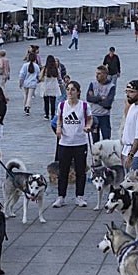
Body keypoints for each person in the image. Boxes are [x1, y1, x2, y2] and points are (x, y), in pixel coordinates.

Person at [53, 80, 92, 208]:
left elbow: (90, 118)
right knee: (62, 171)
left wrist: (87, 126)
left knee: (80, 170)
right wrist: (58, 127)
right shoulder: (62, 105)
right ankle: (61, 197)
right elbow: (59, 118)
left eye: (73, 90)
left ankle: (79, 196)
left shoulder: (84, 106)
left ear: (78, 92)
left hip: (80, 142)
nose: (70, 92)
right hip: (65, 142)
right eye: (68, 89)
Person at [85, 66, 116, 141]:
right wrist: (100, 98)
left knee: (106, 138)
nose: (96, 76)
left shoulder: (111, 86)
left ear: (105, 75)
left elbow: (108, 103)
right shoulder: (93, 84)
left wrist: (95, 99)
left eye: (99, 74)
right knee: (95, 140)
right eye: (96, 73)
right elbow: (88, 98)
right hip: (94, 116)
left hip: (104, 116)